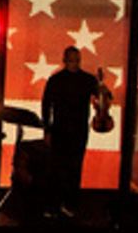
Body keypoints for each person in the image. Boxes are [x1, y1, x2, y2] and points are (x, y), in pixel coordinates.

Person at [40, 46, 110, 218]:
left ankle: (70, 205)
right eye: (71, 60)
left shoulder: (88, 80)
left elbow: (104, 96)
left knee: (75, 168)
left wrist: (102, 90)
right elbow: (46, 106)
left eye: (77, 60)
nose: (74, 63)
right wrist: (47, 129)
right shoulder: (55, 80)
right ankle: (53, 205)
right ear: (65, 61)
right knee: (56, 169)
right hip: (59, 129)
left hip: (79, 130)